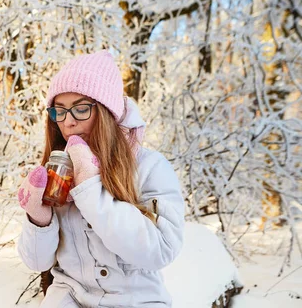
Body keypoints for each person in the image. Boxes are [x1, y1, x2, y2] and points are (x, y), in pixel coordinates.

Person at [17, 51, 185, 308]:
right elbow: (37, 263)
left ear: (107, 112)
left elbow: (160, 251)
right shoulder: (57, 172)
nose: (68, 122)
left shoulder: (150, 167)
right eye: (59, 111)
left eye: (81, 109)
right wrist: (38, 220)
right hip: (69, 298)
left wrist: (90, 190)